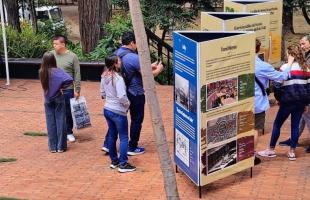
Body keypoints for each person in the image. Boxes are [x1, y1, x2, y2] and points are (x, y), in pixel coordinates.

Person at [101, 31, 163, 155]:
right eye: (136, 43)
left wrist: (149, 65)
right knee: (136, 119)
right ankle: (132, 147)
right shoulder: (134, 57)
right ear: (132, 43)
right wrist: (159, 69)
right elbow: (148, 75)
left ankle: (108, 144)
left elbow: (135, 67)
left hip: (119, 92)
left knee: (117, 118)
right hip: (135, 92)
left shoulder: (116, 54)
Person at [258, 44, 310, 161]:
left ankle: (271, 149)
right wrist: (306, 103)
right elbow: (308, 88)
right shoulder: (306, 69)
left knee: (277, 124)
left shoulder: (284, 67)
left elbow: (277, 85)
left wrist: (279, 99)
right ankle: (292, 152)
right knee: (295, 126)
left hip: (287, 102)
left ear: (290, 54)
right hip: (300, 102)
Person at [253, 39, 292, 165]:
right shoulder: (263, 66)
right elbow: (282, 77)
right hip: (257, 103)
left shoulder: (236, 63)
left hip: (239, 104)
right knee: (255, 130)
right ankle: (251, 156)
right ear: (258, 49)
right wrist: (290, 63)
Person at [101, 54, 136, 173]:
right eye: (119, 61)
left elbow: (102, 93)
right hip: (118, 111)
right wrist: (127, 105)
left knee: (112, 135)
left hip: (107, 109)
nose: (121, 62)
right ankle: (123, 163)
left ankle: (114, 160)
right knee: (124, 137)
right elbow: (122, 97)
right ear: (115, 64)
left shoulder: (104, 76)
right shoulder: (118, 79)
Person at [279, 34, 310, 152]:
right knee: (303, 117)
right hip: (304, 93)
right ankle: (293, 139)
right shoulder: (305, 55)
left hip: (306, 92)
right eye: (300, 44)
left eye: (304, 43)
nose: (302, 46)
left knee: (307, 117)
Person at [39, 52, 73, 153]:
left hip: (47, 98)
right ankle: (61, 146)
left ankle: (52, 147)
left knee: (50, 122)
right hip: (58, 97)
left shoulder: (42, 71)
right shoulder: (58, 71)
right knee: (60, 121)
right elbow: (70, 79)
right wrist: (62, 87)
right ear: (53, 60)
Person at [52, 35, 81, 142]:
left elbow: (77, 74)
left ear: (63, 44)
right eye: (53, 44)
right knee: (56, 110)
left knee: (68, 111)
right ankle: (58, 131)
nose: (54, 46)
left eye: (56, 44)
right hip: (54, 89)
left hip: (68, 88)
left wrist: (77, 90)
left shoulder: (73, 56)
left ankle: (69, 131)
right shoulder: (51, 55)